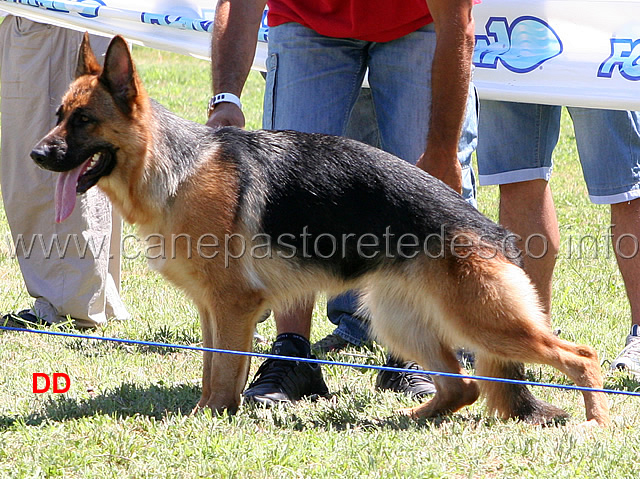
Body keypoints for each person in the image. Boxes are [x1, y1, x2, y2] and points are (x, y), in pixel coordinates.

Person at [207, 0, 478, 405]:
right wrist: (226, 96)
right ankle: (292, 352)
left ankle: (416, 357)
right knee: (284, 188)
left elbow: (458, 26)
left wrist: (442, 148)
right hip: (305, 17)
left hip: (419, 21)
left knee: (427, 202)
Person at [476, 100, 640, 379]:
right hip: (511, 57)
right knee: (518, 175)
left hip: (599, 57)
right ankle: (531, 334)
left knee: (628, 184)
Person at [0, 16, 129, 329]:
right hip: (87, 14)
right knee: (91, 152)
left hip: (47, 21)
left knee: (42, 161)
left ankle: (66, 305)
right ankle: (94, 296)